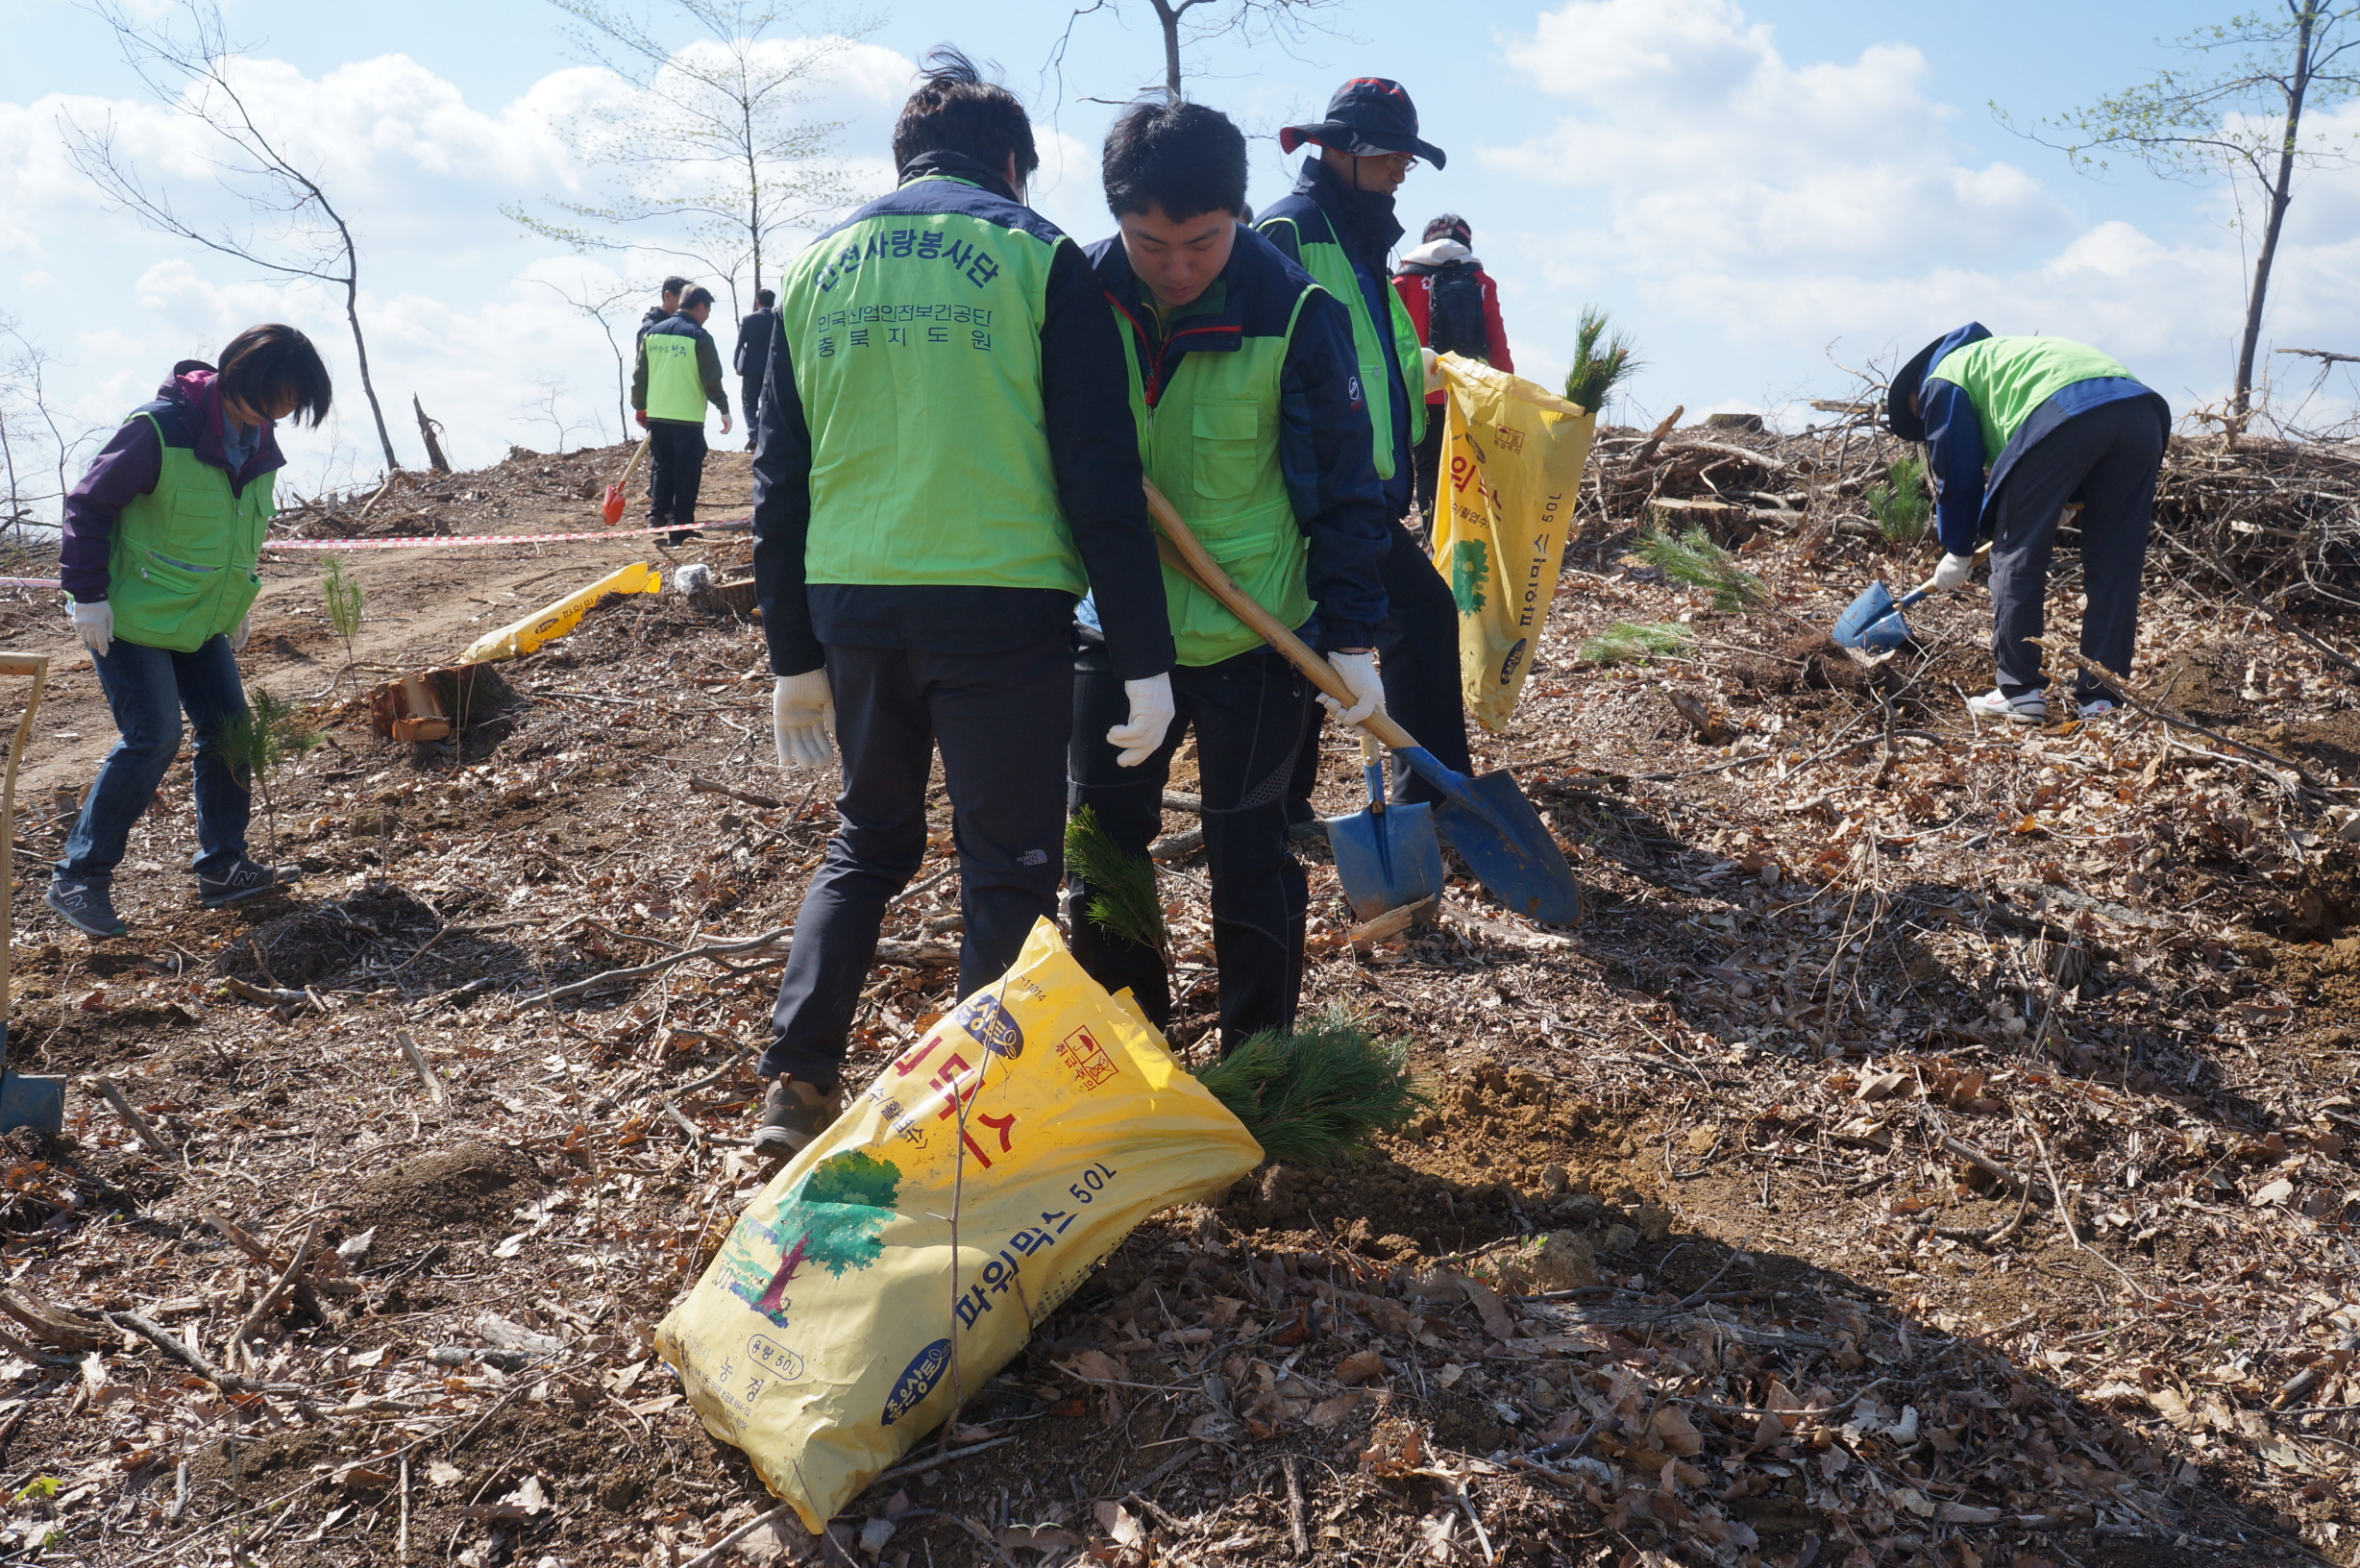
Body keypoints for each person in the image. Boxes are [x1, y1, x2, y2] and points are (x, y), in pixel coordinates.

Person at [747, 49, 1176, 1158]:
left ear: (901, 161)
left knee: (868, 841)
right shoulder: (1033, 256)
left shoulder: (815, 268)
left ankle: (793, 1082)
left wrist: (790, 653)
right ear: (1013, 165)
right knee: (1005, 867)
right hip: (1000, 605)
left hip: (854, 608)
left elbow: (776, 481)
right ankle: (969, 1117)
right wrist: (1143, 654)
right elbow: (1096, 471)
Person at [1072, 98, 1389, 1051]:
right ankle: (1128, 1064)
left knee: (1248, 850)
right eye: (1148, 244)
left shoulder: (1294, 312)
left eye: (1200, 244)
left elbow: (1344, 488)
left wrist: (1353, 634)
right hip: (1111, 632)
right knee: (1101, 857)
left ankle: (1258, 1072)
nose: (1174, 268)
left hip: (1255, 636)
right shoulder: (1076, 299)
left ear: (1238, 215)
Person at [47, 325, 332, 939]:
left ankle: (224, 868)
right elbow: (88, 506)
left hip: (205, 620)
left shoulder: (259, 444)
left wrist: (237, 605)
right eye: (279, 395)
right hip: (132, 618)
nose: (284, 410)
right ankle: (79, 876)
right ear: (241, 377)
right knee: (153, 738)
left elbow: (237, 533)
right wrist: (87, 595)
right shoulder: (159, 429)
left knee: (230, 730)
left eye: (293, 402)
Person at [1255, 78, 1473, 815]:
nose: (1400, 172)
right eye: (1392, 158)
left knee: (1413, 619)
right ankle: (1280, 813)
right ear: (1343, 152)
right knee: (1304, 651)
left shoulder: (1362, 243)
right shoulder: (1289, 233)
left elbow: (1379, 360)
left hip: (1366, 491)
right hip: (1309, 493)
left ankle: (1429, 805)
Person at [1887, 324, 2170, 723]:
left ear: (1916, 389)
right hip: (2141, 414)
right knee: (2116, 563)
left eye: (1921, 416)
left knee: (2016, 555)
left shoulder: (1943, 376)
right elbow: (2087, 430)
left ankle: (2019, 691)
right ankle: (2101, 699)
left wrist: (1957, 547)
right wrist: (2069, 498)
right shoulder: (2003, 363)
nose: (1927, 421)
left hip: (2062, 413)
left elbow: (1959, 472)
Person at [1393, 213, 1512, 533]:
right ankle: (1467, 540)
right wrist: (1508, 397)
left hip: (1420, 393)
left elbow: (1386, 337)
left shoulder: (1404, 280)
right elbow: (1497, 346)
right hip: (1467, 395)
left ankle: (1434, 539)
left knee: (1429, 467)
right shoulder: (1481, 282)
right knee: (1469, 470)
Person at [632, 284, 731, 546]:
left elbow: (640, 375)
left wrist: (639, 406)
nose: (707, 316)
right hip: (687, 416)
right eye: (707, 311)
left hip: (658, 413)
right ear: (700, 306)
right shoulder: (699, 336)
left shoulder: (652, 333)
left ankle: (656, 517)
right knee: (687, 472)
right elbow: (712, 379)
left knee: (663, 467)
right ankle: (681, 528)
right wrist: (724, 408)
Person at [734, 287, 775, 453]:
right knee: (768, 402)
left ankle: (753, 435)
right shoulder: (777, 319)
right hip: (772, 369)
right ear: (772, 303)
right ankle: (765, 437)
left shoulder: (748, 319)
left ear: (757, 302)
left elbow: (740, 345)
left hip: (751, 368)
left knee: (749, 403)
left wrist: (737, 366)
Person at [638, 276, 689, 344]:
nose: (688, 303)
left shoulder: (683, 324)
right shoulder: (650, 328)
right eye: (684, 298)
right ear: (668, 296)